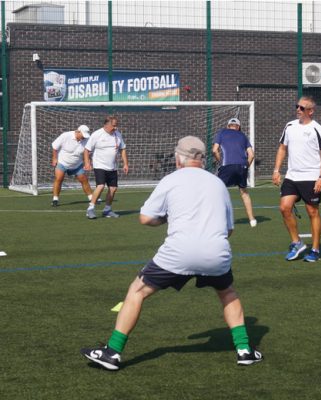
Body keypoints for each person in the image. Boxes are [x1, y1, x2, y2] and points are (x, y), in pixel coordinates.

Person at [81, 136, 263, 371]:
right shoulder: (218, 183)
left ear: (179, 158)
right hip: (215, 252)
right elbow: (228, 230)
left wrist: (167, 218)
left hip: (178, 252)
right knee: (227, 293)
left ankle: (112, 353)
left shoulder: (171, 179)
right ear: (202, 159)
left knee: (136, 291)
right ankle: (245, 350)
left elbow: (145, 218)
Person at [272, 96, 321, 263]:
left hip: (311, 177)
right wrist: (276, 170)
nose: (298, 109)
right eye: (297, 106)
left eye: (302, 108)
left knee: (312, 212)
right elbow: (282, 148)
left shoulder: (317, 129)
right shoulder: (289, 126)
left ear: (310, 111)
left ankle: (316, 250)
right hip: (292, 176)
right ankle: (297, 243)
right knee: (284, 208)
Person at [212, 118, 257, 227]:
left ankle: (218, 219)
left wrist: (220, 162)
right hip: (242, 166)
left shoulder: (222, 132)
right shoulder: (243, 136)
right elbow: (251, 155)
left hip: (227, 165)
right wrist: (246, 166)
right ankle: (252, 220)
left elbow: (214, 150)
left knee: (217, 191)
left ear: (228, 126)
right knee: (244, 192)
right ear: (238, 127)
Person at [83, 116, 128, 219]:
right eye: (114, 125)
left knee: (113, 188)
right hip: (99, 165)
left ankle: (107, 210)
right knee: (101, 186)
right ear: (106, 125)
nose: (116, 128)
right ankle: (90, 209)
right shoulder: (97, 135)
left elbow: (123, 149)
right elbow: (86, 150)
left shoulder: (118, 135)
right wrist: (87, 162)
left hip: (112, 167)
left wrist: (125, 164)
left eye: (116, 125)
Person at [50, 125, 93, 207]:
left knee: (84, 179)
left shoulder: (87, 140)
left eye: (85, 136)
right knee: (59, 179)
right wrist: (54, 158)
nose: (84, 137)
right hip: (62, 163)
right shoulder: (65, 136)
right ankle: (55, 199)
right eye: (82, 135)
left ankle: (91, 198)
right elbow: (55, 147)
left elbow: (87, 152)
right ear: (77, 131)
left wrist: (87, 163)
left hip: (77, 165)